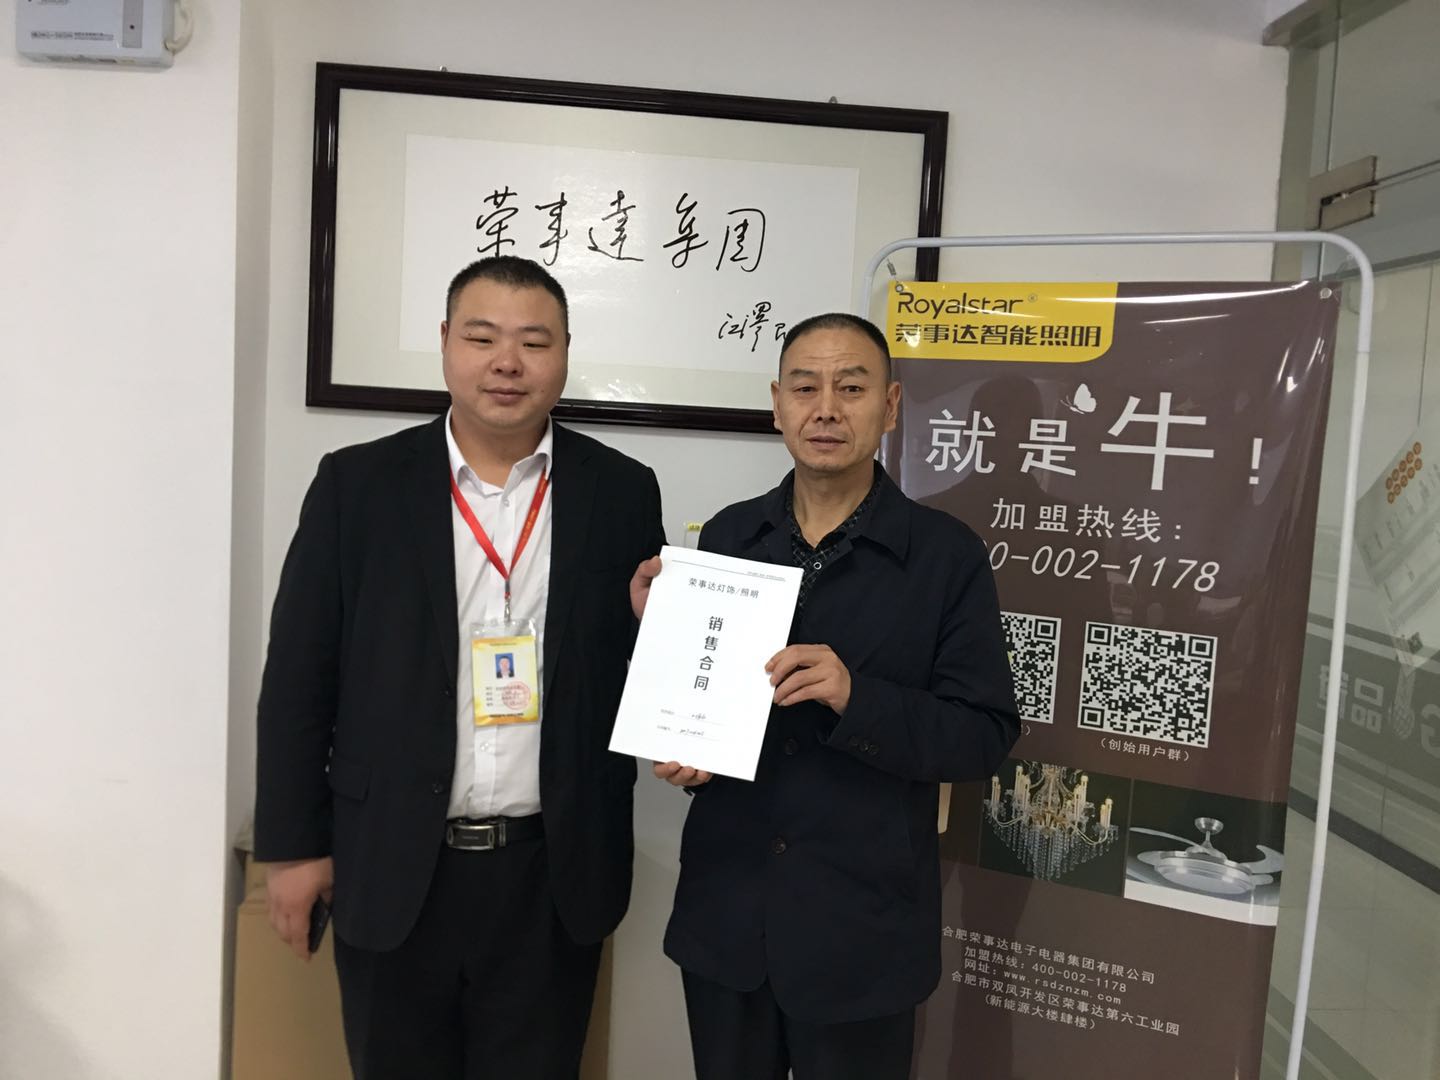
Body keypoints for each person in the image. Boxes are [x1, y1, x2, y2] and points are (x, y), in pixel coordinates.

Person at [254, 256, 665, 1079]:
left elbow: (622, 673)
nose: (507, 362)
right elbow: (299, 677)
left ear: (565, 353)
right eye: (482, 337)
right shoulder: (358, 486)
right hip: (392, 860)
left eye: (533, 342)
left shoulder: (622, 491)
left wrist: (655, 631)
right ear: (445, 343)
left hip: (552, 871)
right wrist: (294, 851)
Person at [649, 312, 1020, 1080]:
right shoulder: (727, 537)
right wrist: (687, 752)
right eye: (805, 388)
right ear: (776, 405)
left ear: (890, 407)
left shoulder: (945, 556)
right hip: (728, 918)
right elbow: (706, 702)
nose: (825, 409)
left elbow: (983, 736)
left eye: (850, 388)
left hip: (863, 934)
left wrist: (859, 698)